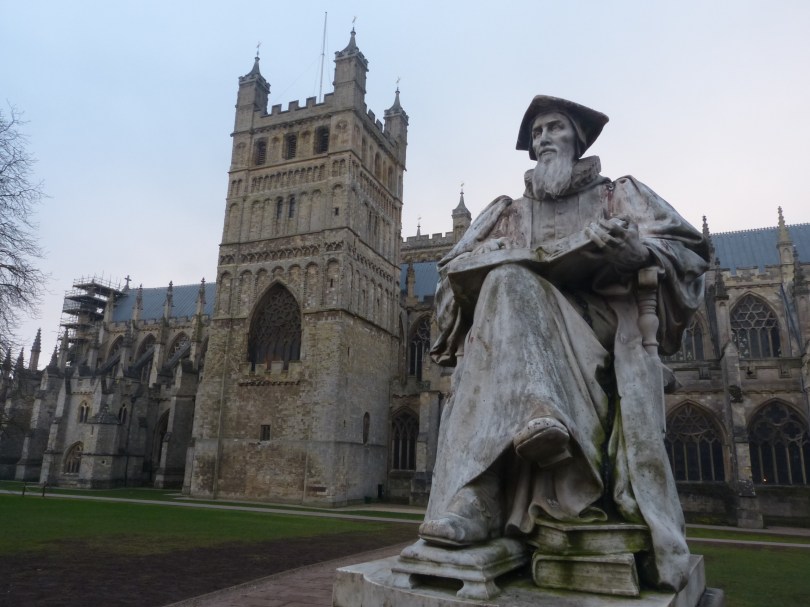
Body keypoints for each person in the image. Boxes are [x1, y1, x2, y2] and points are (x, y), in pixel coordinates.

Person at [418, 96, 709, 591]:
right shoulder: (504, 215)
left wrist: (636, 251)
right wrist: (477, 267)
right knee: (508, 283)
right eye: (535, 134)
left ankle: (479, 494)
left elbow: (690, 253)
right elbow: (447, 288)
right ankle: (524, 435)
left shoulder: (620, 196)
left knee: (511, 286)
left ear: (578, 137)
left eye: (554, 128)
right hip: (509, 335)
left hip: (599, 336)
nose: (543, 138)